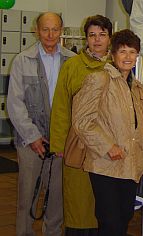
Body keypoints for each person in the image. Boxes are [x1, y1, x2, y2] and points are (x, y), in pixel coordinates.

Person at [72, 29, 143, 236]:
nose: (128, 57)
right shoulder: (99, 79)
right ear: (112, 55)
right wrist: (108, 147)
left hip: (131, 163)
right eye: (122, 51)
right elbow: (82, 121)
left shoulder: (138, 88)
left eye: (132, 52)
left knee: (124, 218)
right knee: (110, 221)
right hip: (105, 164)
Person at [7, 12, 75, 236]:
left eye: (55, 29)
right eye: (45, 29)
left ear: (61, 30)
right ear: (36, 30)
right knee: (27, 199)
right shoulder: (22, 60)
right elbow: (15, 104)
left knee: (56, 201)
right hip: (29, 143)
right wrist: (33, 137)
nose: (50, 34)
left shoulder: (71, 61)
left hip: (60, 142)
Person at [50, 14, 113, 235]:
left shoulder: (117, 65)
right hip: (77, 145)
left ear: (109, 38)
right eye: (92, 35)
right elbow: (60, 106)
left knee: (104, 205)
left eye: (102, 35)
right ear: (86, 38)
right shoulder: (73, 66)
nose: (97, 40)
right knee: (78, 204)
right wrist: (58, 145)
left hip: (108, 147)